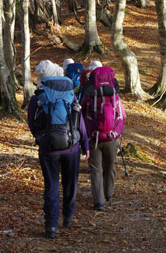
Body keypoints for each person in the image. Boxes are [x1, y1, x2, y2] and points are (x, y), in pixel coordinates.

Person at [28, 60, 89, 240]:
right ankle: (68, 218)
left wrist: (42, 137)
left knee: (52, 187)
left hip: (48, 150)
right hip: (71, 148)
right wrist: (85, 146)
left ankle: (51, 226)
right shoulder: (70, 95)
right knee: (70, 184)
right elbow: (80, 123)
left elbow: (32, 124)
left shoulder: (37, 97)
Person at [80, 65, 126, 211]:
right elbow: (122, 116)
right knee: (110, 166)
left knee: (96, 169)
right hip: (111, 138)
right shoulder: (114, 95)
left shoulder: (89, 94)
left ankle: (99, 202)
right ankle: (108, 194)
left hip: (94, 138)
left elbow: (81, 113)